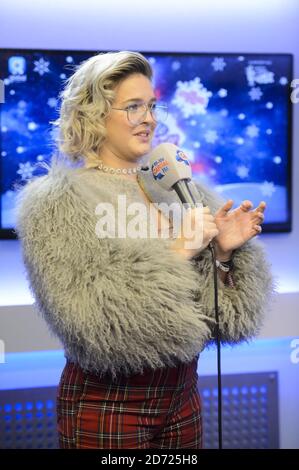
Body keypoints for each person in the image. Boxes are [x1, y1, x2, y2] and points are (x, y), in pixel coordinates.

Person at [15, 51, 273, 449]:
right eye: (133, 107)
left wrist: (221, 254)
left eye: (151, 106)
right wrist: (181, 248)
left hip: (183, 394)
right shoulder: (56, 201)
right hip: (107, 400)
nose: (149, 118)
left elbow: (220, 318)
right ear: (94, 113)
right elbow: (88, 318)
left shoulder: (179, 189)